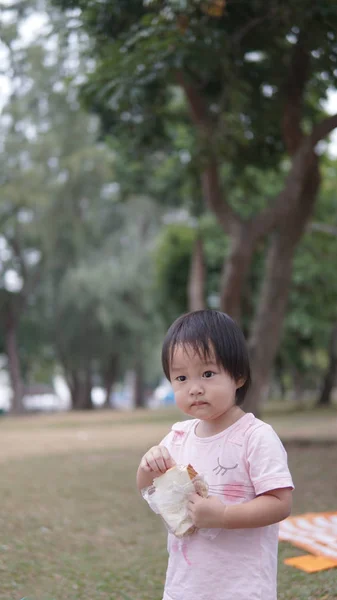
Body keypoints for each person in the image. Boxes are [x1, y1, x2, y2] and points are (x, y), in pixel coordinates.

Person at [137, 309, 294, 600]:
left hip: (241, 588)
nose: (194, 388)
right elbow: (149, 488)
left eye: (207, 374)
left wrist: (223, 515)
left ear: (238, 376)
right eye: (181, 377)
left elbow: (280, 503)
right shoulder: (177, 437)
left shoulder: (255, 437)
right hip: (184, 587)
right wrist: (148, 466)